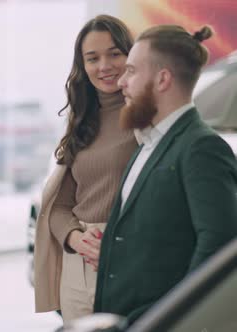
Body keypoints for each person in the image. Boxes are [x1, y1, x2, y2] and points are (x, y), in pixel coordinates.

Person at [94, 24, 237, 324]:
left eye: (131, 71)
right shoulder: (148, 144)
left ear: (162, 79)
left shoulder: (201, 148)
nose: (121, 82)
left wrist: (165, 318)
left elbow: (218, 248)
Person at [33, 15, 137, 322]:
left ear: (133, 56)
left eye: (115, 54)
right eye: (93, 58)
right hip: (78, 263)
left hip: (129, 258)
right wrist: (75, 239)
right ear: (83, 65)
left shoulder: (148, 118)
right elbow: (60, 206)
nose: (104, 66)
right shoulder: (82, 120)